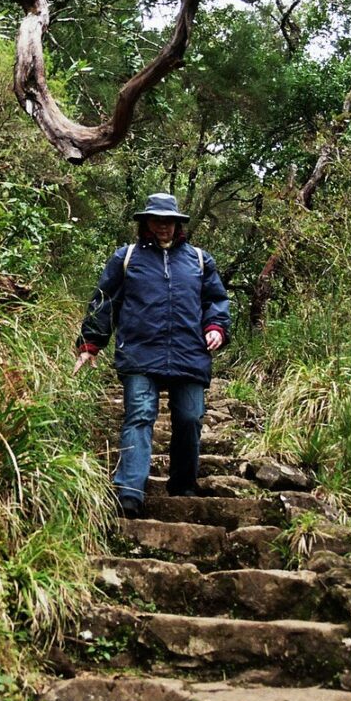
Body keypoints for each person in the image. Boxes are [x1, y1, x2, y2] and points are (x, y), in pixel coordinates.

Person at [73, 193, 230, 520]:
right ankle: (130, 490)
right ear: (146, 222)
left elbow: (215, 301)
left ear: (178, 224)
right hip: (140, 353)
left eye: (168, 220)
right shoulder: (126, 258)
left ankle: (184, 485)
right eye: (156, 220)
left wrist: (215, 327)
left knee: (189, 418)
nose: (163, 226)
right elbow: (106, 302)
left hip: (189, 354)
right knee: (141, 415)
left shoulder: (200, 260)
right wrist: (91, 343)